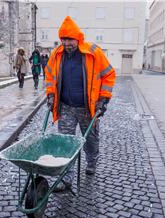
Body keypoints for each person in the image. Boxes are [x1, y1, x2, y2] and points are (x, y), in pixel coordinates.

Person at [45, 16, 115, 191]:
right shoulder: (57, 54)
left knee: (91, 140)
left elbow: (109, 74)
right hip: (66, 107)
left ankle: (92, 162)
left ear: (78, 38)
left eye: (70, 39)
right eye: (64, 39)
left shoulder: (93, 52)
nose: (67, 43)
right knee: (65, 143)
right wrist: (51, 94)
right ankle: (66, 178)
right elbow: (50, 75)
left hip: (87, 108)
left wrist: (103, 99)